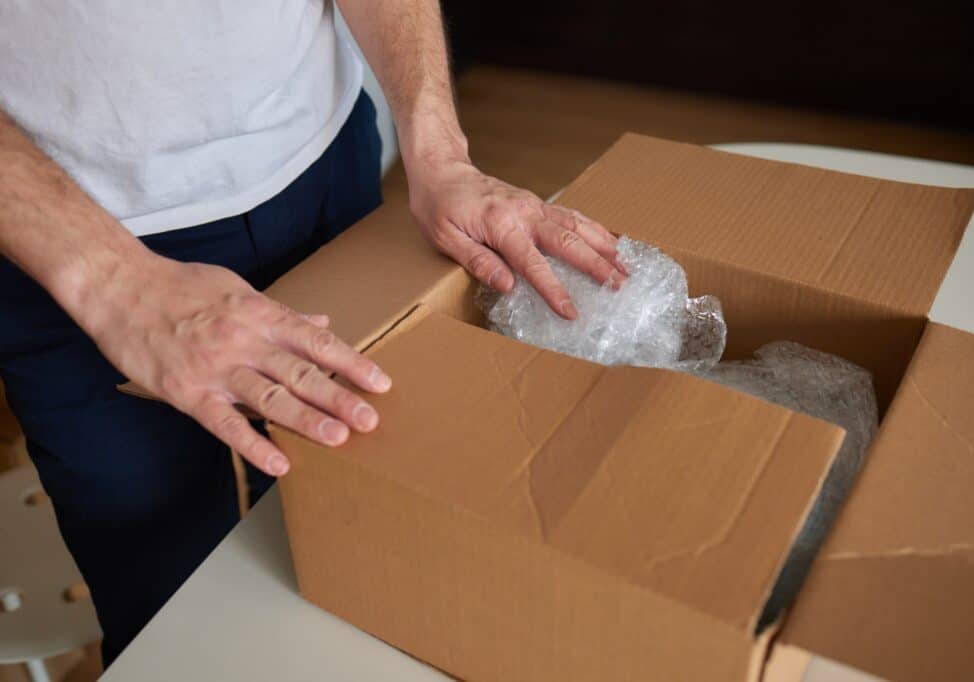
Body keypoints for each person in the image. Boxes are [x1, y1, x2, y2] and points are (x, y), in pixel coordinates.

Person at [0, 0, 626, 666]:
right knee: (167, 599)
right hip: (68, 236)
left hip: (320, 164)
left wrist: (440, 149)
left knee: (361, 533)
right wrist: (110, 279)